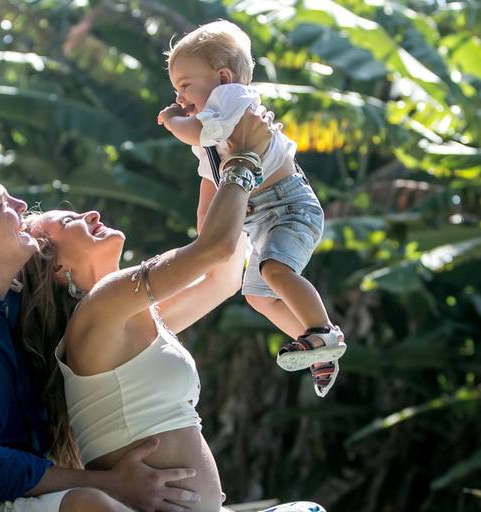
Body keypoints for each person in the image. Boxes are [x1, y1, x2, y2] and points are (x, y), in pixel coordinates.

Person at [0, 145, 202, 512]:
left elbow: (210, 280)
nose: (22, 205)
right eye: (2, 205)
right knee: (90, 504)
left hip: (5, 498)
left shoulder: (12, 311)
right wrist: (108, 482)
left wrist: (210, 152)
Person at [20, 112, 326, 511]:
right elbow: (214, 249)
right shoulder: (101, 307)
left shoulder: (125, 320)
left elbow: (222, 276)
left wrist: (212, 152)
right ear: (58, 269)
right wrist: (245, 158)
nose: (90, 214)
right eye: (69, 222)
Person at [156, 20, 346, 398]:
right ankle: (318, 350)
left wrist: (172, 119)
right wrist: (205, 233)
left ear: (223, 77)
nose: (179, 97)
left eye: (185, 86)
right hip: (261, 219)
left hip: (290, 207)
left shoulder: (232, 98)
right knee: (259, 296)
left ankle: (322, 331)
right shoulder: (214, 136)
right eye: (176, 89)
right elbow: (210, 182)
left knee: (275, 271)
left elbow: (197, 132)